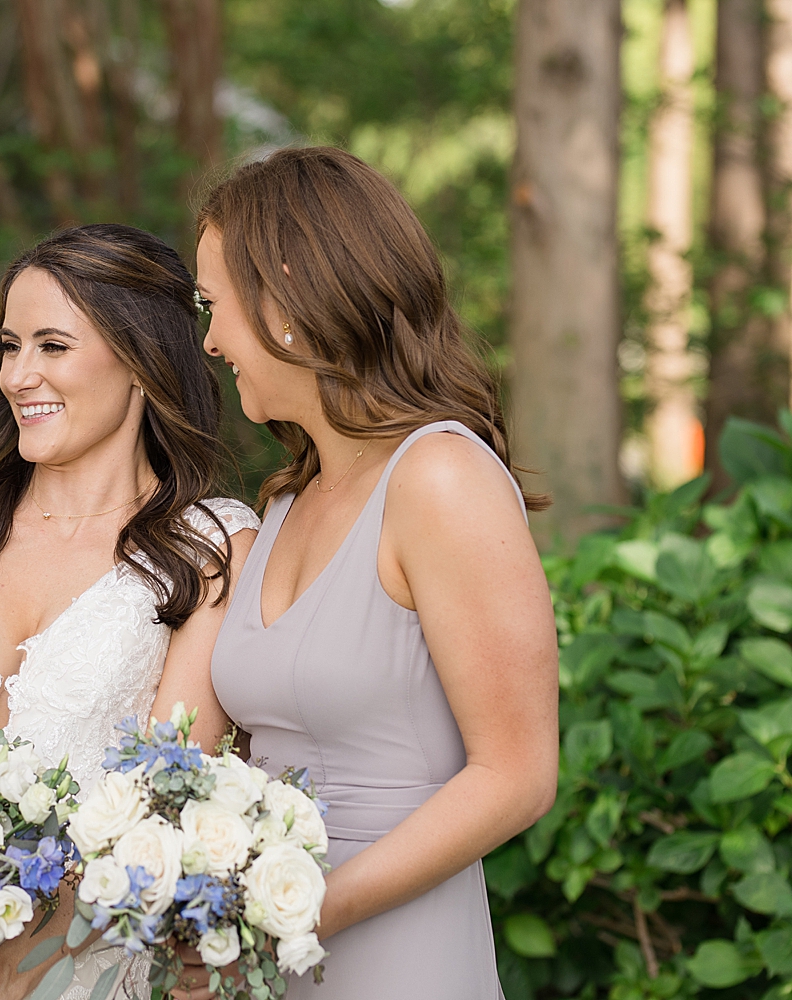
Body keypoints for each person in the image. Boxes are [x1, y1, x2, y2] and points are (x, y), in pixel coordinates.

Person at [0, 224, 259, 1000]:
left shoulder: (209, 549)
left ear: (142, 360)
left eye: (52, 346)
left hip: (95, 977)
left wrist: (9, 976)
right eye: (9, 346)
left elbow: (166, 811)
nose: (18, 375)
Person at [199, 146, 558, 997]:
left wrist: (312, 909)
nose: (210, 340)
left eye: (216, 307)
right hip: (265, 954)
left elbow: (517, 776)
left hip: (396, 951)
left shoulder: (440, 477)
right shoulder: (288, 500)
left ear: (284, 296)